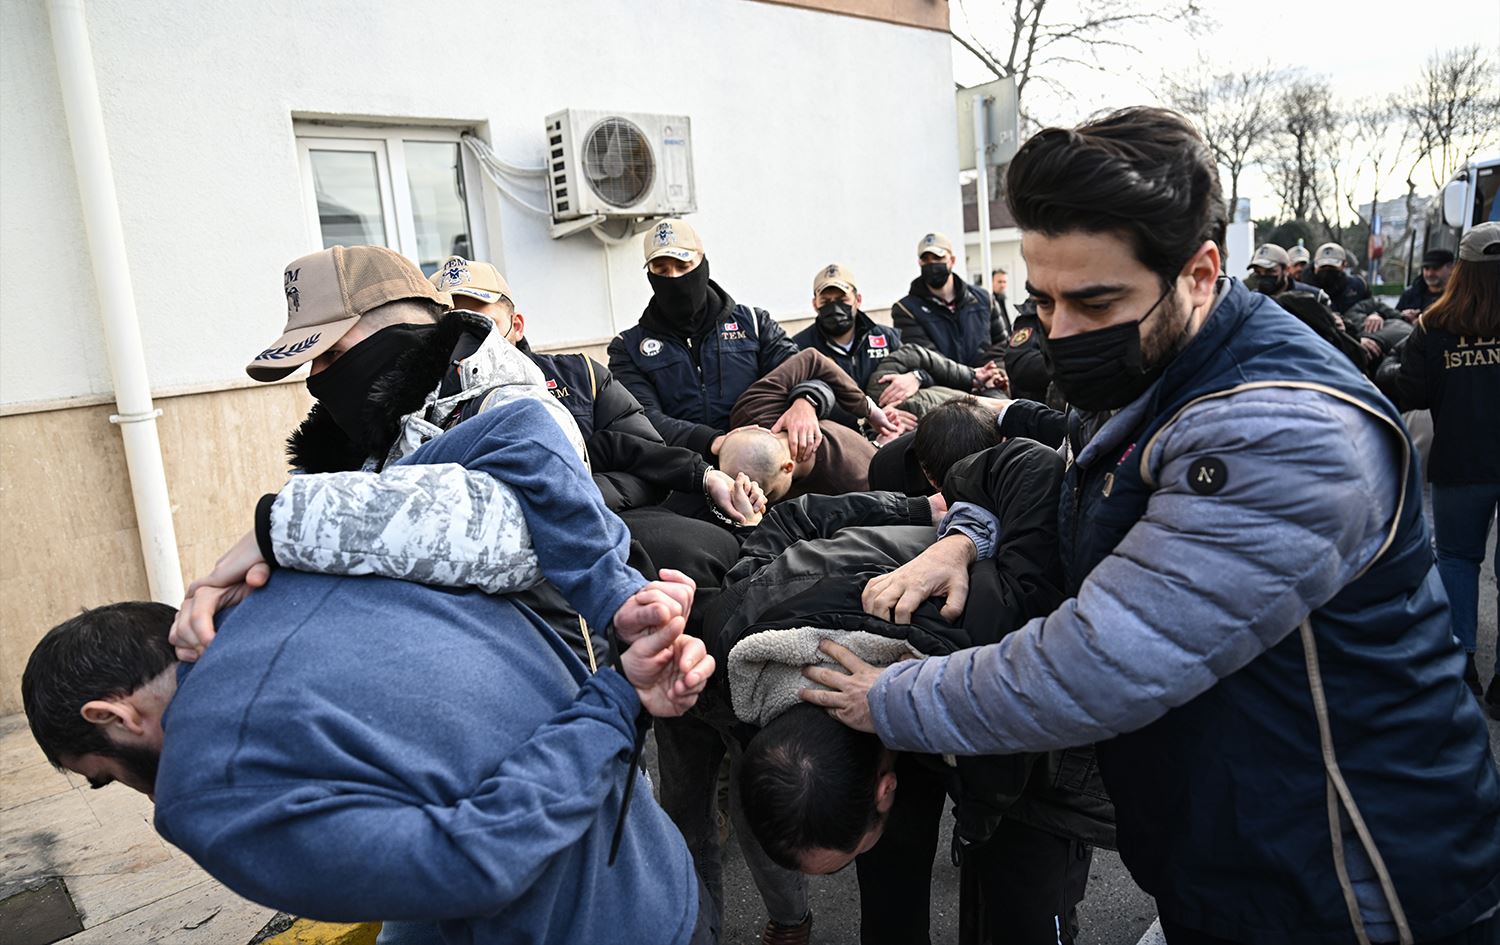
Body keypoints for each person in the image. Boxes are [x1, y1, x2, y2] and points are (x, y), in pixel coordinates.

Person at [801, 107, 1500, 945]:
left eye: (1093, 300)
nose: (1060, 331)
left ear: (1201, 272)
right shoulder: (1160, 365)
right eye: (1043, 299)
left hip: (1349, 886)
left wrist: (893, 699)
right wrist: (970, 533)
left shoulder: (1282, 432)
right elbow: (1062, 464)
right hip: (1231, 851)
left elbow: (1100, 663)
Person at [21, 401, 721, 945]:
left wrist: (616, 694)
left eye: (106, 774)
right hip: (661, 880)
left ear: (111, 715)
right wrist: (618, 596)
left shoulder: (201, 794)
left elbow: (468, 864)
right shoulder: (320, 550)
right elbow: (523, 430)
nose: (142, 796)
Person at [709, 437, 1108, 945]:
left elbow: (1033, 462)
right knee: (892, 898)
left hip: (996, 734)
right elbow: (785, 521)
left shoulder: (994, 626)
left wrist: (954, 538)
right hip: (927, 748)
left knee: (1020, 901)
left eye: (846, 857)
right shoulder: (734, 638)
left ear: (885, 790)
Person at [1384, 222, 1500, 713]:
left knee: (1456, 559)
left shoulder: (1434, 325)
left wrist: (1389, 363)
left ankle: (1462, 668)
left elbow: (1410, 392)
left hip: (1460, 462)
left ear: (1462, 268)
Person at [608, 219, 814, 464]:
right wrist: (713, 442)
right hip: (683, 474)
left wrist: (805, 400)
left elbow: (800, 369)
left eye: (683, 265)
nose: (673, 277)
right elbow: (641, 417)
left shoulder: (754, 324)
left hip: (765, 462)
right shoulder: (628, 347)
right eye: (661, 270)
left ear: (702, 263)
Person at [716, 349, 897, 502]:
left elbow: (812, 358)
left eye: (769, 495)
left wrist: (869, 410)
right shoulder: (751, 409)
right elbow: (811, 357)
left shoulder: (852, 485)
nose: (761, 503)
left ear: (787, 467)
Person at [892, 231, 1006, 367]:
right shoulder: (906, 310)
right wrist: (973, 377)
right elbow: (926, 359)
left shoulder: (984, 300)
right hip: (942, 386)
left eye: (938, 258)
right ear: (919, 263)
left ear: (952, 260)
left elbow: (1002, 347)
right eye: (926, 259)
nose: (932, 264)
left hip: (989, 382)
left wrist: (995, 374)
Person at [1396, 248, 1456, 319]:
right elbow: (1394, 318)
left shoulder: (1458, 296)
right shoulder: (1410, 294)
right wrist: (1403, 316)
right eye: (1426, 268)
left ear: (1451, 268)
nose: (1430, 274)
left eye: (1435, 268)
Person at [990, 267, 1014, 335]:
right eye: (999, 282)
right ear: (991, 282)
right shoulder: (988, 302)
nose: (1003, 285)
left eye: (1004, 282)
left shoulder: (1006, 301)